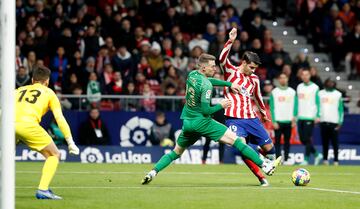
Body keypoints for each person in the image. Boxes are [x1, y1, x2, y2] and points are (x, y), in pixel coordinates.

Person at [141, 53, 281, 185]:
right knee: (237, 141)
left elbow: (210, 80)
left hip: (188, 123)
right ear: (203, 67)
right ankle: (265, 165)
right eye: (212, 66)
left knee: (175, 152)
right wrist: (221, 105)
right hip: (202, 122)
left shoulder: (192, 75)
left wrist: (228, 84)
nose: (215, 68)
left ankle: (152, 172)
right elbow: (206, 110)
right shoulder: (207, 87)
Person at [219, 28, 280, 186]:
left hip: (252, 118)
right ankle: (262, 176)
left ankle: (266, 160)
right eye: (251, 67)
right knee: (241, 145)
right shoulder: (230, 72)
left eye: (255, 68)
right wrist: (230, 41)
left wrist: (263, 112)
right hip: (234, 119)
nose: (253, 71)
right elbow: (221, 59)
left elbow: (258, 96)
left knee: (271, 150)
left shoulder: (254, 79)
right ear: (244, 63)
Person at [15, 66, 80, 199]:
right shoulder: (49, 93)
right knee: (54, 154)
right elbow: (59, 118)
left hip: (8, 124)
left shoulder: (18, 90)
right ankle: (43, 190)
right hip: (28, 125)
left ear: (32, 80)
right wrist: (70, 141)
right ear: (47, 81)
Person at [296, 69, 323, 165]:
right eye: (303, 75)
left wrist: (318, 115)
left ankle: (306, 159)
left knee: (307, 139)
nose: (305, 76)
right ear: (301, 76)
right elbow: (297, 102)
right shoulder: (299, 87)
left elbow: (318, 102)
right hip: (300, 116)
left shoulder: (315, 87)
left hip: (310, 116)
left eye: (307, 74)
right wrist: (295, 114)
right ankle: (316, 154)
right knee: (302, 139)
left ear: (310, 75)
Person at [270, 73, 296, 164]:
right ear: (278, 80)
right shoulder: (274, 92)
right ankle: (278, 160)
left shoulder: (292, 92)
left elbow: (295, 106)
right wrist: (274, 121)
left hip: (288, 120)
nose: (283, 80)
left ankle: (287, 159)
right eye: (281, 78)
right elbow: (272, 107)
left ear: (287, 79)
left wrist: (294, 118)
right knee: (277, 142)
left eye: (284, 78)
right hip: (278, 121)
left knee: (287, 141)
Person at [319, 79, 344, 166]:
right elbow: (317, 106)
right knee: (325, 142)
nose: (330, 83)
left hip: (334, 122)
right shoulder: (320, 93)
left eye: (331, 82)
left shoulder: (338, 94)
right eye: (328, 82)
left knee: (335, 143)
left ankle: (336, 160)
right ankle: (325, 160)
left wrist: (340, 122)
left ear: (334, 84)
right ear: (325, 83)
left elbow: (341, 109)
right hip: (323, 121)